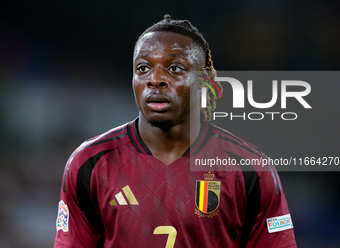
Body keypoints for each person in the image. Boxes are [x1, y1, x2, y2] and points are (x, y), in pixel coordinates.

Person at [54, 15, 297, 248]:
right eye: (143, 68)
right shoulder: (90, 163)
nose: (155, 79)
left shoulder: (249, 168)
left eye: (175, 68)